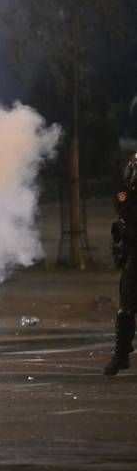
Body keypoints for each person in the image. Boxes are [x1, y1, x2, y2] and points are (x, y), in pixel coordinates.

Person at [105, 154, 137, 375]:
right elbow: (125, 215)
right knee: (126, 306)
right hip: (134, 252)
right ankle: (121, 354)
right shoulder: (125, 195)